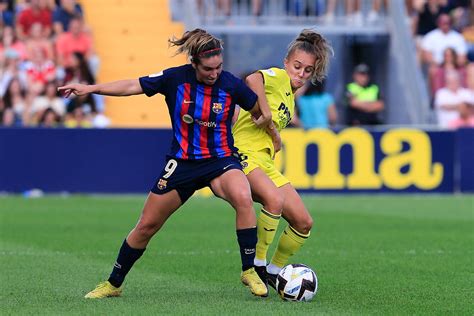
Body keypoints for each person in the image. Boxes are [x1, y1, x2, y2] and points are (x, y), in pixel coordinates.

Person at [58, 28, 268, 298]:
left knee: (243, 196)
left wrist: (269, 125)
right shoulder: (174, 79)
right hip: (182, 163)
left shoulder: (230, 84)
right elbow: (132, 85)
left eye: (218, 67)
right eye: (208, 69)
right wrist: (91, 88)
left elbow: (257, 111)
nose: (214, 74)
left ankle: (248, 270)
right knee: (146, 226)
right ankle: (113, 283)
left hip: (220, 160)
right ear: (193, 63)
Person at [232, 29, 333, 289]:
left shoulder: (289, 93)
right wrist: (266, 116)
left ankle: (275, 271)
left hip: (265, 162)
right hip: (245, 154)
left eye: (307, 70)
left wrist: (274, 133)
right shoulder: (277, 77)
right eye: (297, 66)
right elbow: (252, 79)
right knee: (274, 200)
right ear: (286, 62)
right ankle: (259, 265)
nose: (300, 73)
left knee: (303, 222)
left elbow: (267, 120)